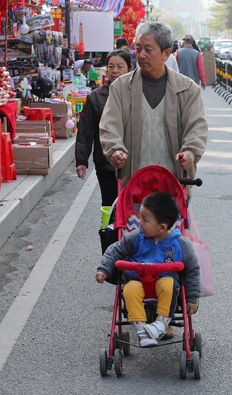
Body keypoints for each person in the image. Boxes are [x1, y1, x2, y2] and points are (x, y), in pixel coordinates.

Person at [99, 21, 208, 186]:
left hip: (174, 185)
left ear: (166, 54)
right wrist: (115, 150)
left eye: (148, 50)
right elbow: (109, 125)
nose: (141, 55)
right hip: (133, 186)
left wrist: (190, 153)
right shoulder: (121, 87)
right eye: (138, 48)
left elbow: (197, 127)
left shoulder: (187, 89)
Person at [95, 191, 201, 347]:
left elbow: (192, 270)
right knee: (129, 289)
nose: (139, 223)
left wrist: (192, 298)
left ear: (162, 228)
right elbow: (115, 250)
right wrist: (104, 269)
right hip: (138, 281)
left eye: (144, 220)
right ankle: (142, 331)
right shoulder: (136, 237)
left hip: (164, 285)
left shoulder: (180, 244)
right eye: (140, 217)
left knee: (168, 284)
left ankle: (161, 324)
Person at [75, 49, 132, 206]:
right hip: (106, 163)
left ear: (130, 69)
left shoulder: (138, 95)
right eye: (111, 66)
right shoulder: (95, 97)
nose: (115, 71)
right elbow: (86, 131)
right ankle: (109, 231)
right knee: (110, 205)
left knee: (133, 208)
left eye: (120, 66)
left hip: (133, 164)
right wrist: (81, 160)